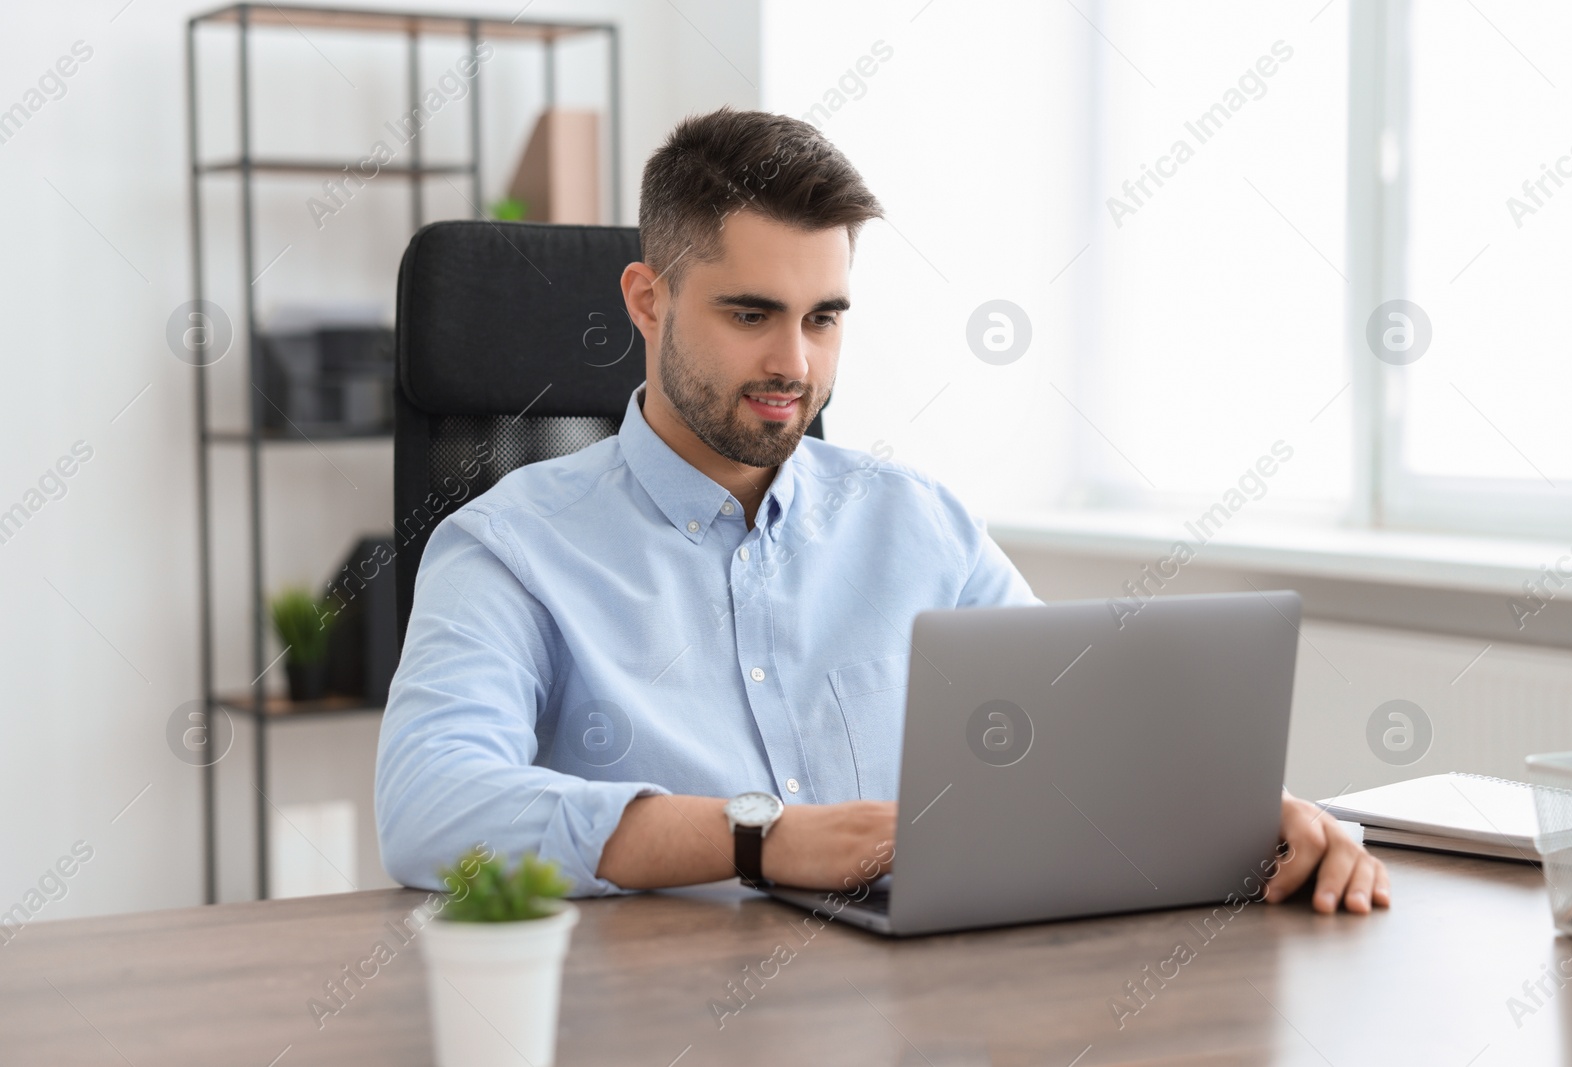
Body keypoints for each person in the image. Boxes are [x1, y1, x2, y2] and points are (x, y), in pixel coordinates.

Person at [376, 107, 1389, 916]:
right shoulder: (508, 547)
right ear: (647, 300)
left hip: (915, 1008)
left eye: (824, 317)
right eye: (750, 314)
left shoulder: (921, 526)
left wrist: (1241, 814)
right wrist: (755, 835)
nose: (795, 365)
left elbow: (1074, 743)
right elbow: (429, 804)